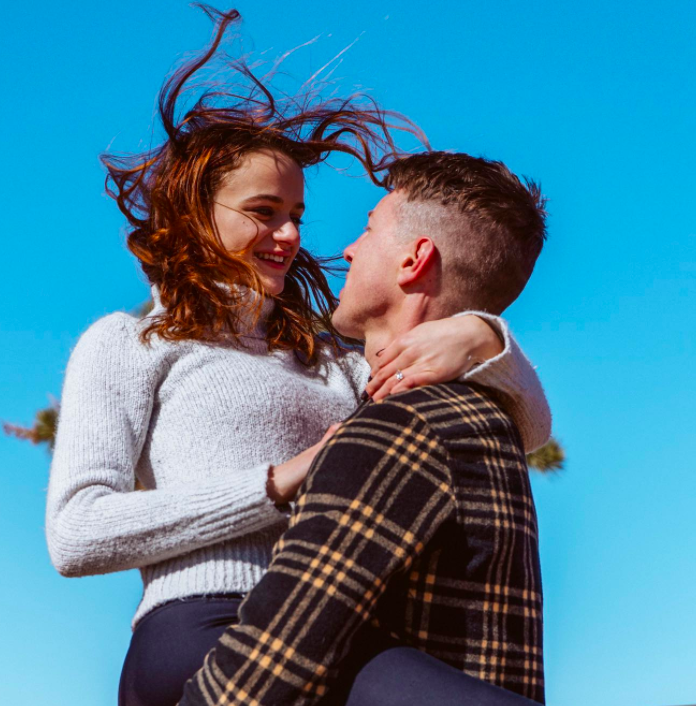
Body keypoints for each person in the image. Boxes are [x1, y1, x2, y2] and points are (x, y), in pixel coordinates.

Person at [45, 10, 550, 706]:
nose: (288, 236)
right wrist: (278, 481)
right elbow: (76, 534)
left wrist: (487, 340)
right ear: (197, 214)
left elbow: (527, 429)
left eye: (297, 215)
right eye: (263, 211)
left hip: (322, 629)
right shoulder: (129, 344)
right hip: (199, 630)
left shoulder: (328, 358)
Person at [179, 151, 548, 706]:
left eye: (369, 229)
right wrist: (485, 336)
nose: (346, 248)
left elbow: (263, 672)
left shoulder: (402, 426)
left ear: (414, 259)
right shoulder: (482, 417)